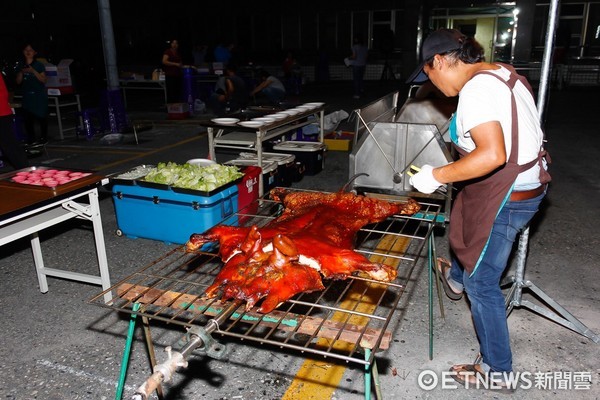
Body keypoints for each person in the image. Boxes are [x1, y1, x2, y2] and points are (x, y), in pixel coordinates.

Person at [407, 29, 551, 392]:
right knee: (464, 216)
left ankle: (497, 370)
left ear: (439, 61)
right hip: (524, 184)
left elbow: (492, 156)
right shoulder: (501, 72)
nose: (433, 84)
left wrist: (435, 175)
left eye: (429, 74)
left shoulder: (475, 90)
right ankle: (456, 277)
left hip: (508, 197)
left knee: (483, 283)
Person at [15, 42, 48, 145]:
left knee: (42, 117)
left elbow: (43, 80)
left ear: (34, 52)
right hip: (27, 96)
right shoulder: (21, 65)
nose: (28, 52)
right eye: (26, 50)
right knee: (28, 119)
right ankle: (31, 138)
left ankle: (44, 137)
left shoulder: (39, 65)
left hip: (38, 95)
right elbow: (18, 82)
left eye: (30, 50)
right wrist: (21, 72)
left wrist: (33, 71)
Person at [0, 73, 29, 169]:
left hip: (2, 114)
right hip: (3, 113)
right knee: (11, 146)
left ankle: (26, 173)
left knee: (11, 147)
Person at [162, 39, 183, 103]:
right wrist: (175, 64)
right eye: (173, 43)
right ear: (171, 44)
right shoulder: (168, 51)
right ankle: (170, 108)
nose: (174, 45)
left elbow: (180, 64)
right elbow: (164, 61)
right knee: (171, 92)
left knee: (177, 92)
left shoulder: (178, 53)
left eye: (176, 43)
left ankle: (177, 108)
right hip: (170, 75)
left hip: (177, 74)